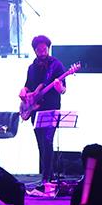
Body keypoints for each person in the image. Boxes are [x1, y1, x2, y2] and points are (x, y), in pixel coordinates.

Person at [20, 35, 66, 191]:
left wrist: (59, 87)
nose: (42, 52)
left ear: (48, 48)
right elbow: (28, 86)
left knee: (48, 142)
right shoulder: (32, 67)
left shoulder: (56, 65)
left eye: (44, 49)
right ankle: (47, 177)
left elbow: (63, 89)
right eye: (39, 50)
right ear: (35, 50)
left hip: (51, 109)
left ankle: (46, 178)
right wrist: (23, 91)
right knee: (41, 144)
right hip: (35, 109)